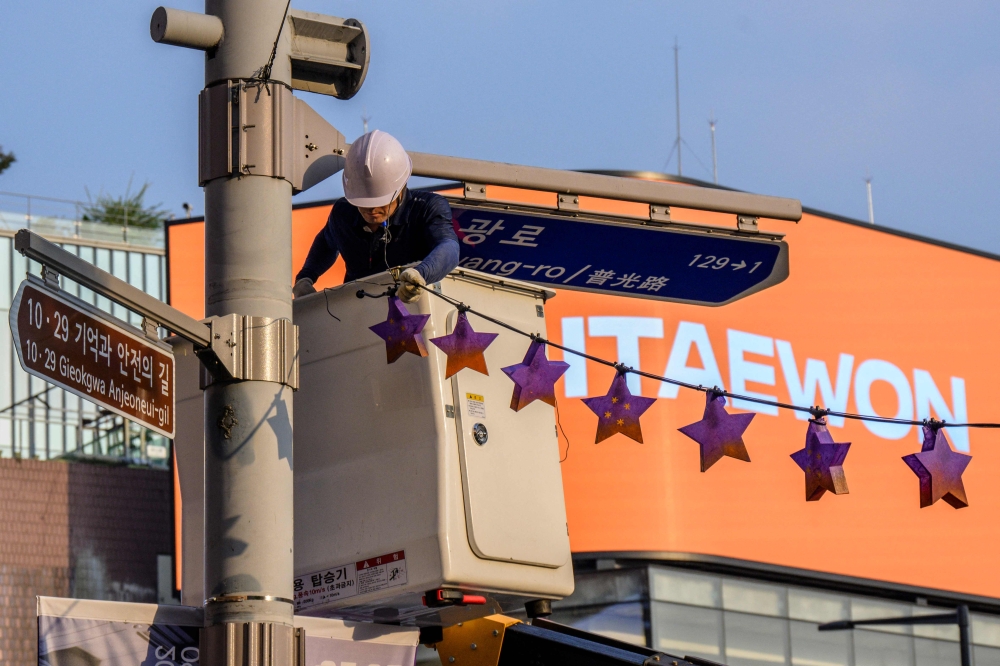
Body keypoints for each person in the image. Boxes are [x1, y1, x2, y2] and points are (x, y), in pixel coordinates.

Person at [292, 130, 459, 303]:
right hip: (357, 311)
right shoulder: (343, 213)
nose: (372, 209)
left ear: (400, 188)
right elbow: (327, 242)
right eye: (363, 202)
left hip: (413, 308)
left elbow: (449, 247)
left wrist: (420, 274)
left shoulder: (426, 208)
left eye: (382, 202)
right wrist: (306, 277)